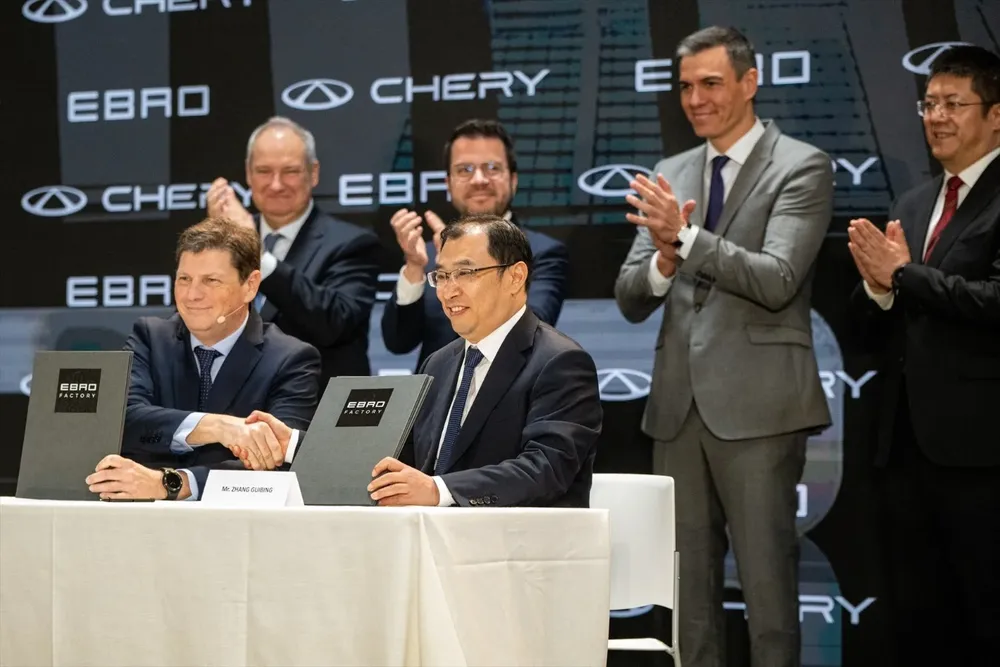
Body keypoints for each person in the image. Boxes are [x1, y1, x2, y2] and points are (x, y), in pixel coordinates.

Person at [614, 26, 834, 667]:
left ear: (749, 82)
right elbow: (631, 296)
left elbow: (777, 279)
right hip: (678, 411)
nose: (696, 98)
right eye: (685, 86)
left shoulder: (801, 165)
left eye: (711, 83)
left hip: (760, 410)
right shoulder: (669, 172)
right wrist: (660, 259)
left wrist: (683, 240)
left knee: (768, 595)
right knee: (689, 599)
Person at [252, 214, 601, 508]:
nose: (449, 290)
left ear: (515, 277)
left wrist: (439, 490)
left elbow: (546, 467)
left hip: (521, 555)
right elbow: (399, 457)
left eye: (466, 273)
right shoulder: (440, 362)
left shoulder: (560, 362)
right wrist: (297, 446)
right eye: (443, 276)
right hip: (436, 547)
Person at [847, 44, 1000, 666]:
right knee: (918, 620)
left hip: (984, 453)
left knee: (986, 619)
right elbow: (880, 319)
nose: (937, 116)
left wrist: (903, 275)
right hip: (905, 448)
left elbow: (994, 300)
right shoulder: (912, 202)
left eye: (954, 104)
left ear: (995, 115)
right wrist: (881, 289)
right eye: (929, 103)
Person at [84, 217, 321, 501]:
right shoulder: (149, 336)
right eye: (184, 279)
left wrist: (172, 483)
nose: (192, 295)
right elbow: (122, 420)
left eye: (211, 280)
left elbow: (276, 464)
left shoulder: (291, 358)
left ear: (250, 285)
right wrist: (219, 427)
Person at [380, 119, 569, 369]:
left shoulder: (541, 252)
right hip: (436, 402)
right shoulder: (426, 254)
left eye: (492, 168)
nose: (479, 179)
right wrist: (414, 269)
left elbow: (528, 331)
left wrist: (467, 267)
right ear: (448, 184)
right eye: (464, 170)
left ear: (513, 180)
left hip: (509, 399)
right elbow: (398, 342)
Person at [206, 116, 381, 382]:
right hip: (234, 409)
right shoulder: (226, 237)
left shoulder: (353, 243)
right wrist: (216, 246)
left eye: (290, 171)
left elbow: (335, 323)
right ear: (248, 173)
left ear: (314, 173)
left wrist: (256, 254)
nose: (276, 184)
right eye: (264, 171)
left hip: (317, 410)